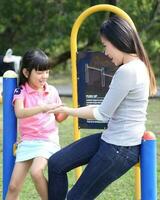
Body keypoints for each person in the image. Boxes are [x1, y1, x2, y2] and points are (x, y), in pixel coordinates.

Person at [47, 15, 157, 200]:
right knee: (56, 163)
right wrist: (67, 109)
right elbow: (104, 108)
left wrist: (67, 111)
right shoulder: (138, 66)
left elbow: (102, 114)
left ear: (118, 41)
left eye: (106, 46)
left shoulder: (128, 71)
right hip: (111, 140)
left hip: (120, 149)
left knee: (75, 198)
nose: (105, 52)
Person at [6, 49, 67, 200]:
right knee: (13, 186)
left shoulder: (51, 91)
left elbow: (59, 117)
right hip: (27, 141)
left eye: (46, 72)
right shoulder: (21, 91)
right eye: (39, 72)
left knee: (36, 171)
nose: (44, 76)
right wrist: (43, 108)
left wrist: (66, 110)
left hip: (47, 140)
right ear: (26, 73)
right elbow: (19, 112)